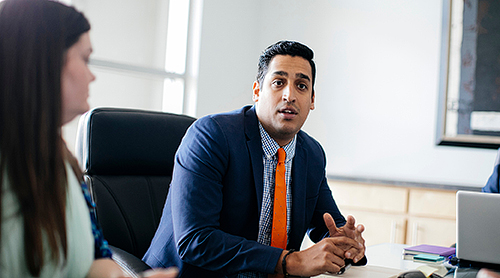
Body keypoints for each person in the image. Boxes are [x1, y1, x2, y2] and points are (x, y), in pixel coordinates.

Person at [143, 40, 366, 277]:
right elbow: (196, 240)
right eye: (278, 83)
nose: (289, 95)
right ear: (257, 91)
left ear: (312, 100)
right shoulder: (212, 136)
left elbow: (328, 225)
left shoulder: (312, 153)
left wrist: (346, 244)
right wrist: (289, 261)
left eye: (301, 86)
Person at [0, 1, 177, 277]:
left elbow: (94, 260)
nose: (92, 75)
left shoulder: (61, 161)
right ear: (46, 60)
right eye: (84, 58)